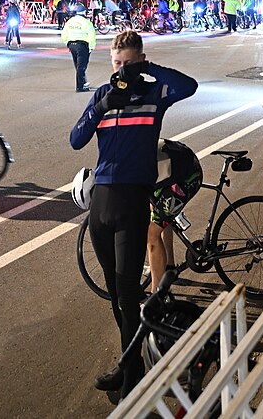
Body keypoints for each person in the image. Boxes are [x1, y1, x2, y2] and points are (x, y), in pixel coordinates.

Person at [69, 30, 197, 399]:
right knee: (115, 295)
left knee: (128, 295)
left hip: (132, 204)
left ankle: (130, 377)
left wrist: (148, 68)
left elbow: (188, 85)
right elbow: (76, 139)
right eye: (117, 64)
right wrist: (102, 105)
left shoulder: (154, 95)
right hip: (101, 207)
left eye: (128, 63)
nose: (121, 70)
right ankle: (132, 366)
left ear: (139, 60)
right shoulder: (103, 98)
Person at [146, 138, 203, 292]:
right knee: (158, 213)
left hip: (184, 178)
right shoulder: (130, 149)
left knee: (152, 235)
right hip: (182, 167)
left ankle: (156, 296)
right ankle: (169, 267)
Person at [61, 3, 97, 91]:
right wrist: (91, 47)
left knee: (77, 65)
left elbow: (64, 33)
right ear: (84, 12)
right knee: (82, 66)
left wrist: (67, 43)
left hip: (72, 45)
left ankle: (83, 82)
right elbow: (91, 35)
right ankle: (80, 86)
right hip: (82, 45)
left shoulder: (70, 21)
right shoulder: (86, 22)